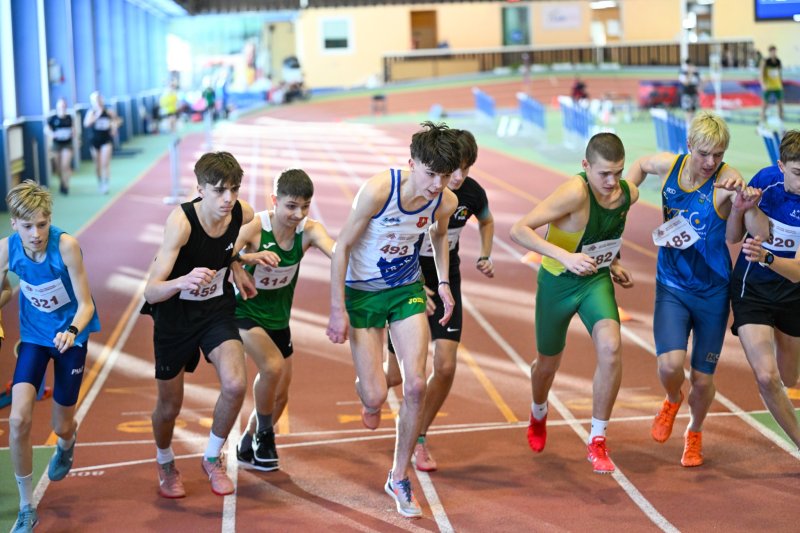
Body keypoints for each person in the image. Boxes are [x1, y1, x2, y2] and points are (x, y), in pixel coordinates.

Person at [326, 122, 459, 517]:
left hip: (406, 290)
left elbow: (438, 236)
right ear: (412, 163)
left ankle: (398, 477)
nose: (437, 185)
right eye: (430, 174)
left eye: (444, 176)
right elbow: (342, 246)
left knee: (416, 384)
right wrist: (337, 309)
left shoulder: (444, 201)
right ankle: (368, 391)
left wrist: (444, 282)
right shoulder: (379, 191)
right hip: (363, 294)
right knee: (375, 396)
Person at [626, 111, 763, 467]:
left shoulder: (727, 179)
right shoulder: (669, 166)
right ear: (689, 146)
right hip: (671, 285)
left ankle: (695, 431)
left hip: (712, 292)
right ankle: (673, 399)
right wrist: (626, 195)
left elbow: (736, 237)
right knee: (670, 367)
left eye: (718, 154)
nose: (711, 162)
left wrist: (742, 204)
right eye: (704, 154)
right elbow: (640, 164)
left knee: (702, 380)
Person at [511, 133, 638, 475]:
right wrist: (565, 257)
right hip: (557, 283)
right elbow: (519, 230)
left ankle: (597, 439)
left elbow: (606, 233)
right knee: (546, 366)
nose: (612, 182)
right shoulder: (574, 192)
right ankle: (538, 411)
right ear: (586, 166)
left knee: (611, 346)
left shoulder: (627, 194)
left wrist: (614, 262)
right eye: (604, 174)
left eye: (618, 172)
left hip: (594, 280)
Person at [141, 151, 257, 499]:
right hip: (174, 317)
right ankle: (165, 462)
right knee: (169, 407)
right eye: (219, 190)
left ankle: (211, 457)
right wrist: (182, 281)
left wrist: (235, 263)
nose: (228, 198)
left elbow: (227, 247)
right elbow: (151, 290)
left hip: (215, 310)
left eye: (234, 189)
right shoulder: (181, 223)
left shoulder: (243, 212)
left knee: (236, 384)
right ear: (200, 190)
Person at [384, 129, 495, 472]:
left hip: (446, 275)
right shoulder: (423, 191)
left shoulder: (471, 194)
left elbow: (486, 221)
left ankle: (418, 435)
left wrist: (485, 254)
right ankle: (369, 389)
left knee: (445, 366)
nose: (458, 177)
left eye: (466, 168)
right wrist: (415, 284)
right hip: (407, 277)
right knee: (392, 377)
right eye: (452, 169)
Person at [0, 181, 101, 532]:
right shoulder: (5, 249)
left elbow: (86, 304)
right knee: (18, 420)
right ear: (14, 223)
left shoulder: (66, 246)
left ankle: (67, 443)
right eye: (28, 226)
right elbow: (5, 291)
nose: (36, 234)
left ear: (50, 219)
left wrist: (71, 331)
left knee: (62, 425)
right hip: (33, 337)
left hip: (70, 338)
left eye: (42, 224)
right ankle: (26, 506)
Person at [234, 169, 335, 471]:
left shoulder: (309, 230)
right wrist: (244, 260)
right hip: (244, 313)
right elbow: (221, 253)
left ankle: (248, 440)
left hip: (278, 320)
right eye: (291, 206)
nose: (298, 214)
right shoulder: (255, 228)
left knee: (280, 397)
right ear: (275, 200)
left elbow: (337, 252)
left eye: (305, 206)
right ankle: (266, 436)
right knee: (272, 367)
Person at [727, 130, 800, 450]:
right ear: (781, 166)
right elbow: (733, 237)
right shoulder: (766, 182)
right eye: (798, 173)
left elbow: (798, 273)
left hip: (793, 293)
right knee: (768, 377)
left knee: (789, 378)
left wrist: (767, 257)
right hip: (752, 289)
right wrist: (741, 208)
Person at [83, 91, 118, 195]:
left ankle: (105, 184)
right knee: (97, 165)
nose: (98, 102)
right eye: (96, 100)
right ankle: (100, 181)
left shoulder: (109, 112)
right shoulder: (91, 112)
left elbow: (116, 121)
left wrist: (114, 128)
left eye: (99, 99)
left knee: (105, 163)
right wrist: (96, 116)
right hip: (95, 140)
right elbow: (86, 124)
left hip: (106, 140)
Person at [45, 98, 75, 195]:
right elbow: (46, 129)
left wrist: (73, 133)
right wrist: (52, 134)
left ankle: (66, 185)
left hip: (67, 144)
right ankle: (61, 182)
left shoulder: (69, 118)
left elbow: (73, 129)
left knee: (65, 165)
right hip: (57, 144)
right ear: (57, 107)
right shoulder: (53, 118)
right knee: (58, 167)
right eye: (60, 106)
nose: (62, 108)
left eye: (64, 106)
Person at [760, 45, 784, 129]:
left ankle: (781, 125)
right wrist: (763, 84)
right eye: (772, 52)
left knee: (780, 106)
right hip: (768, 86)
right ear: (769, 52)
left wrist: (781, 84)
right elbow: (761, 73)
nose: (774, 53)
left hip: (777, 86)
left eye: (775, 51)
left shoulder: (778, 61)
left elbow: (779, 73)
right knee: (764, 105)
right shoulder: (765, 61)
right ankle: (761, 125)